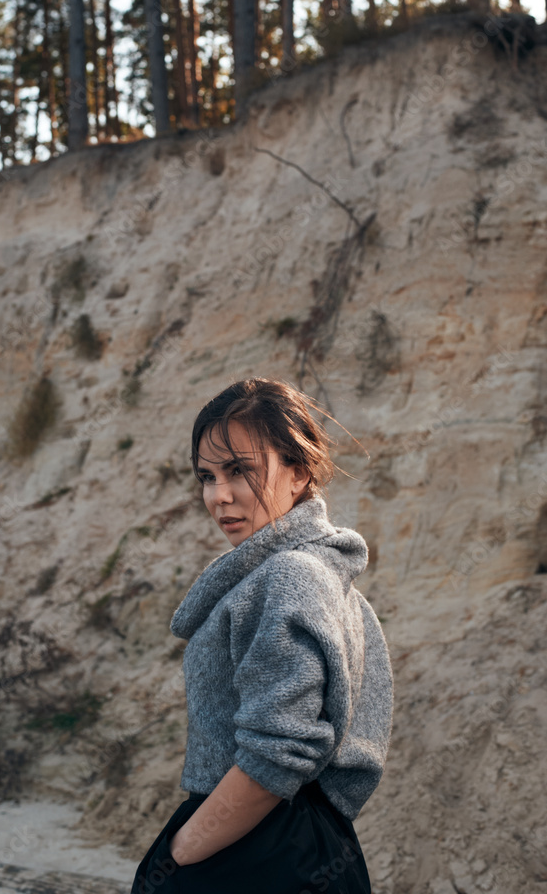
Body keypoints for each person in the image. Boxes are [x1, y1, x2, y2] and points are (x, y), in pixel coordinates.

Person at [131, 377, 394, 894]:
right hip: (292, 844)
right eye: (206, 476)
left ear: (298, 473)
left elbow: (276, 753)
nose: (219, 496)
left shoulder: (290, 576)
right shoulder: (317, 574)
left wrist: (182, 851)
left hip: (263, 851)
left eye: (240, 471)